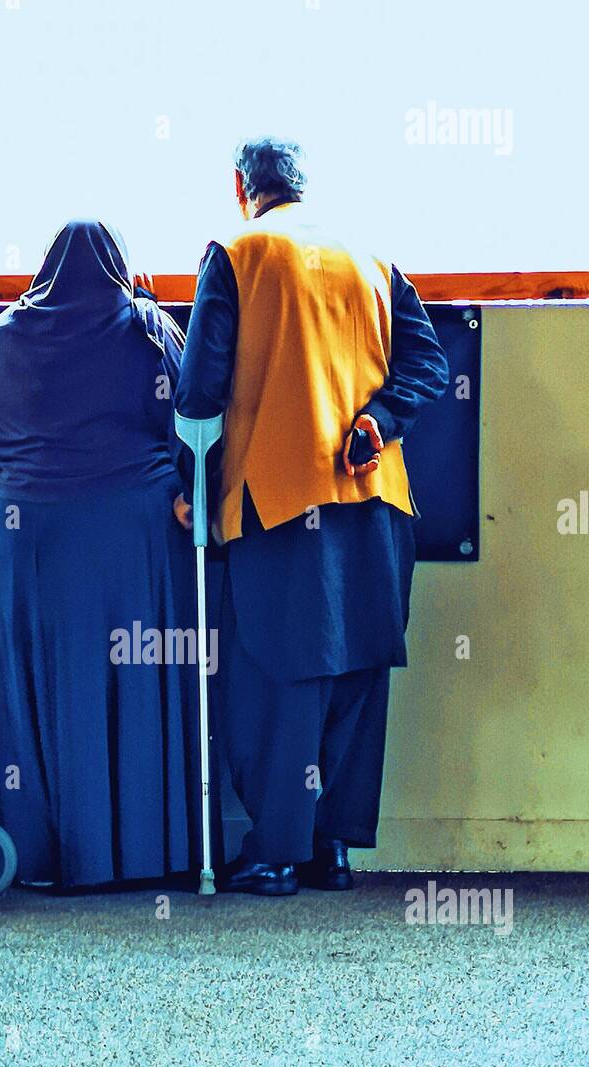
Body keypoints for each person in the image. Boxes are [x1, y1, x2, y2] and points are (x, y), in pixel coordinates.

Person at [174, 138, 449, 896]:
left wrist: (188, 485)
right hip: (378, 501)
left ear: (241, 186)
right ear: (303, 186)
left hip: (278, 500)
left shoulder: (236, 250)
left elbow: (199, 389)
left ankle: (272, 853)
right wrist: (378, 422)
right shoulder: (373, 256)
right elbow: (428, 367)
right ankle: (332, 849)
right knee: (357, 672)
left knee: (277, 679)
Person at [0, 220, 200, 889]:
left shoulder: (2, 336)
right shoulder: (148, 332)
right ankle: (144, 853)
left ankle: (38, 855)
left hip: (30, 538)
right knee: (137, 687)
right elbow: (194, 422)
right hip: (136, 540)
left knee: (36, 690)